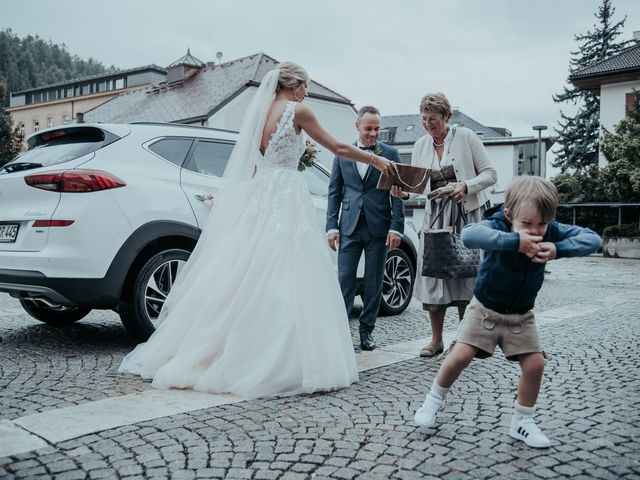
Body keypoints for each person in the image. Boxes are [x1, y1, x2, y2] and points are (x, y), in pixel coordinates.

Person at [118, 62, 398, 398]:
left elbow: (252, 163)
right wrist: (377, 161)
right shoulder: (299, 110)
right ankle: (277, 357)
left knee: (247, 269)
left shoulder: (260, 112)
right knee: (288, 271)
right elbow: (337, 148)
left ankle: (222, 346)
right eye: (306, 85)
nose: (307, 92)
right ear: (294, 86)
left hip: (263, 191)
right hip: (287, 193)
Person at [413, 176, 602, 448]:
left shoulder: (549, 231)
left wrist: (557, 248)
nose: (535, 232)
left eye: (542, 224)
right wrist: (514, 240)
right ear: (509, 213)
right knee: (460, 356)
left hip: (521, 314)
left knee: (535, 364)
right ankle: (431, 402)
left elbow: (592, 240)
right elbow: (469, 235)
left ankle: (522, 422)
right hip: (484, 309)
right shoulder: (497, 224)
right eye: (526, 224)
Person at [392, 92, 497, 357]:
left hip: (467, 215)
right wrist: (403, 193)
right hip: (436, 216)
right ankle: (436, 340)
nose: (428, 125)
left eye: (433, 119)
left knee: (466, 274)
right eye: (424, 119)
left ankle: (464, 340)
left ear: (447, 117)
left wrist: (466, 185)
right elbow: (417, 187)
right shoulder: (420, 145)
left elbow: (490, 174)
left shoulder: (466, 137)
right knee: (433, 276)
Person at [326, 106, 405, 351]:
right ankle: (340, 334)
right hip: (348, 226)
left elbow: (398, 194)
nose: (373, 134)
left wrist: (396, 228)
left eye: (377, 129)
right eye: (369, 128)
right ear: (357, 127)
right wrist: (331, 226)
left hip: (379, 228)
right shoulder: (342, 153)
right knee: (344, 280)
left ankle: (366, 332)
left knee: (373, 283)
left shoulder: (390, 153)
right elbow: (334, 191)